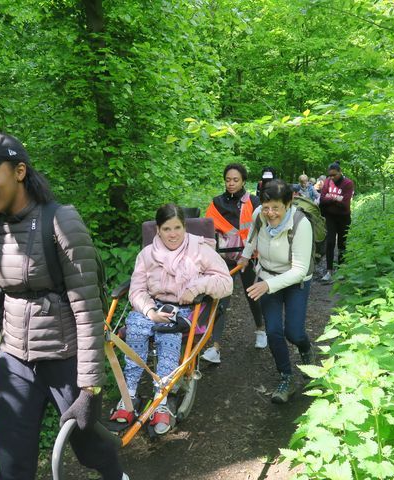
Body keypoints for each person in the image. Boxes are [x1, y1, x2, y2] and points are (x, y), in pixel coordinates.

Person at [0, 132, 127, 480]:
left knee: (91, 449)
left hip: (66, 360)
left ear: (19, 171)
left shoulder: (61, 221)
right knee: (13, 466)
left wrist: (89, 388)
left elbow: (88, 310)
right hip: (14, 362)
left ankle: (116, 476)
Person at [110, 204, 233, 434]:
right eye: (167, 229)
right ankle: (129, 395)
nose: (173, 234)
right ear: (158, 230)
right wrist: (149, 311)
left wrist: (197, 285)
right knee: (136, 326)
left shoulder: (199, 249)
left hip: (185, 309)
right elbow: (136, 291)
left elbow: (226, 282)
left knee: (168, 332)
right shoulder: (147, 254)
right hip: (153, 306)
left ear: (184, 227)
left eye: (177, 227)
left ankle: (162, 400)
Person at [238, 179, 316, 404]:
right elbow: (252, 237)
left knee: (294, 332)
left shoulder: (301, 224)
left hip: (294, 282)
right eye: (266, 207)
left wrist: (267, 286)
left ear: (288, 203)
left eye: (276, 208)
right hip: (267, 275)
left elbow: (300, 270)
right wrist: (245, 257)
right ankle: (286, 378)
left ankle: (305, 347)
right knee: (273, 332)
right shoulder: (259, 215)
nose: (270, 213)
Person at [201, 163, 265, 364]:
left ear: (244, 181)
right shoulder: (216, 203)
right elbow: (207, 230)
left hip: (250, 257)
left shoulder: (254, 202)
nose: (231, 183)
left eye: (235, 180)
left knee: (252, 295)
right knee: (220, 299)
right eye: (228, 179)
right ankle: (215, 347)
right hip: (224, 259)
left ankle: (260, 330)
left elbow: (261, 229)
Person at [319, 162, 354, 282]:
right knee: (330, 242)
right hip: (330, 217)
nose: (332, 177)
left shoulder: (347, 183)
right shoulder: (328, 181)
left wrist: (330, 197)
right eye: (330, 175)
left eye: (334, 175)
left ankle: (341, 269)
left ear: (340, 172)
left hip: (344, 217)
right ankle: (329, 271)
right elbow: (322, 200)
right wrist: (336, 199)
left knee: (342, 243)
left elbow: (345, 204)